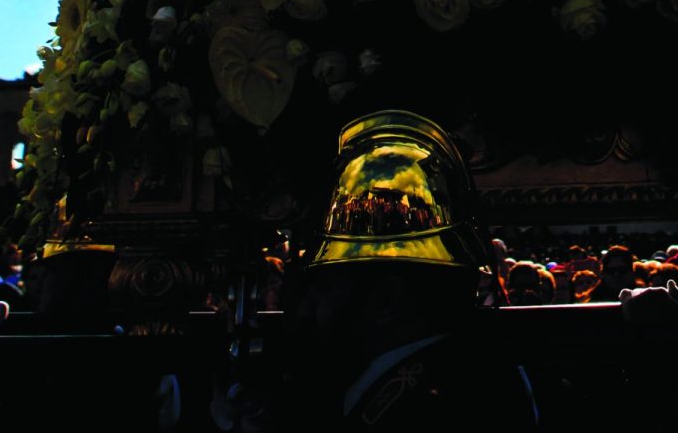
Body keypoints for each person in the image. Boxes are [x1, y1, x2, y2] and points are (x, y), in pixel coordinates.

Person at [223, 110, 536, 429]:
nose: (307, 307)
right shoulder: (460, 372)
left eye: (325, 287)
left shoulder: (435, 401)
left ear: (387, 300)